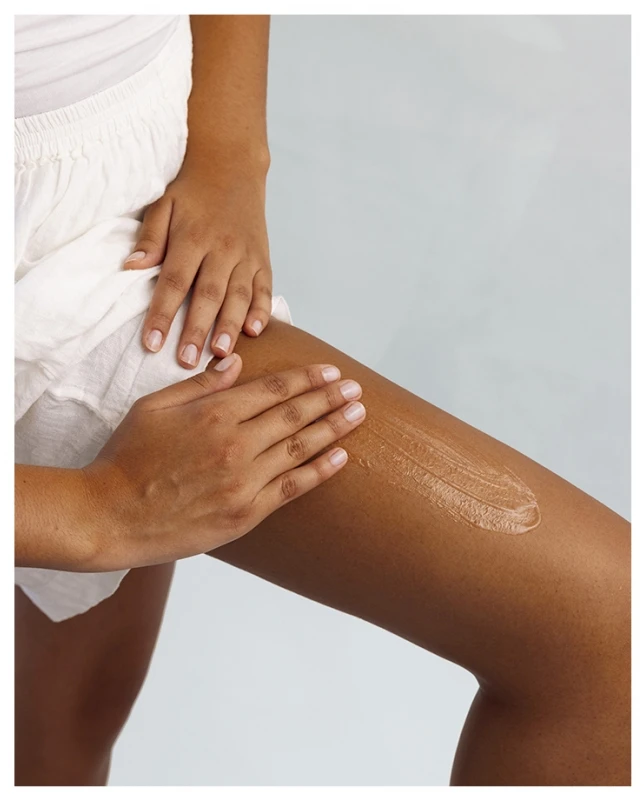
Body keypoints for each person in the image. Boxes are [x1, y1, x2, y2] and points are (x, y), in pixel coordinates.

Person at [14, 15, 630, 786]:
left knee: (61, 732)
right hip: (58, 253)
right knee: (606, 634)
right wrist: (93, 513)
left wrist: (230, 151)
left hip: (142, 208)